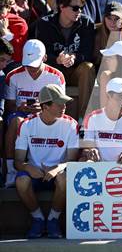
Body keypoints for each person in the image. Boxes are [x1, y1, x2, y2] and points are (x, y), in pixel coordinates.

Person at [14, 84, 79, 239]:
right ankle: (38, 218)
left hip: (58, 173)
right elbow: (18, 161)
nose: (64, 106)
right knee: (21, 181)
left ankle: (53, 219)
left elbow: (72, 160)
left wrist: (56, 169)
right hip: (35, 174)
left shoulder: (71, 124)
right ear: (45, 106)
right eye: (59, 103)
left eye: (64, 102)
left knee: (64, 178)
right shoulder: (27, 124)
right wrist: (29, 168)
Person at [4, 39, 65, 188]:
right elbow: (9, 107)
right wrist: (21, 108)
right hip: (21, 116)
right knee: (15, 121)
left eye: (35, 64)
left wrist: (45, 109)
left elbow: (61, 107)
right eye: (28, 64)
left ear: (44, 58)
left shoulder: (56, 76)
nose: (31, 68)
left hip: (47, 116)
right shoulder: (13, 76)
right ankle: (11, 171)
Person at [29, 0, 96, 123]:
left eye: (81, 8)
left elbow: (88, 54)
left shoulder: (86, 23)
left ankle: (85, 119)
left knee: (88, 67)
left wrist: (74, 57)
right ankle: (49, 117)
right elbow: (42, 54)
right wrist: (57, 60)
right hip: (55, 69)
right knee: (46, 68)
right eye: (75, 8)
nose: (79, 11)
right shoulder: (45, 24)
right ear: (62, 6)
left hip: (76, 71)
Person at [82, 77, 122, 163]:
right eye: (120, 96)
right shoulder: (93, 117)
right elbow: (86, 148)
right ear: (109, 95)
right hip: (99, 164)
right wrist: (91, 151)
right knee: (83, 161)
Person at [93, 1, 122, 68]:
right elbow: (95, 59)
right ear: (104, 19)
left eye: (116, 19)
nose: (112, 22)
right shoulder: (96, 32)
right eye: (109, 18)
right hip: (101, 70)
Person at [0, 0, 28, 66]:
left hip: (10, 63)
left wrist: (5, 33)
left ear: (8, 8)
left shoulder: (19, 23)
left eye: (0, 8)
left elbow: (18, 55)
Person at [0, 39, 13, 177]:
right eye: (1, 60)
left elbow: (1, 107)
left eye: (6, 61)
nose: (4, 65)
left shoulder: (2, 76)